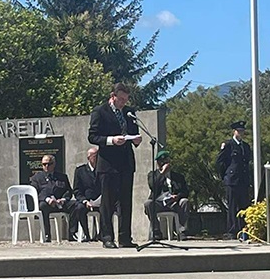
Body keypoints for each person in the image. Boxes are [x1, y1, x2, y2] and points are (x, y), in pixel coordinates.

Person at [88, 82, 142, 248]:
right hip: (108, 163)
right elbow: (93, 136)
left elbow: (133, 132)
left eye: (126, 99)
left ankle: (125, 238)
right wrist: (111, 140)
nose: (123, 103)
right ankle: (107, 237)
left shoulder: (129, 112)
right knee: (108, 203)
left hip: (126, 162)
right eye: (121, 99)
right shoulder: (100, 111)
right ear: (113, 96)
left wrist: (136, 139)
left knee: (126, 202)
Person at [216, 119, 252, 239]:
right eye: (239, 131)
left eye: (242, 131)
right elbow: (220, 162)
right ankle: (232, 231)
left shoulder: (245, 146)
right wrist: (225, 176)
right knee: (232, 206)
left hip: (243, 180)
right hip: (232, 180)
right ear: (234, 131)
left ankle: (244, 230)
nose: (241, 133)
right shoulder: (228, 145)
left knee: (244, 206)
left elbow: (247, 163)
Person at [30, 154, 79, 242]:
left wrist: (64, 199)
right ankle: (47, 234)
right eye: (44, 164)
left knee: (76, 205)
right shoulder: (36, 178)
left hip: (60, 202)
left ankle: (72, 233)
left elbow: (68, 191)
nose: (46, 166)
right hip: (47, 203)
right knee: (43, 206)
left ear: (54, 164)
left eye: (49, 164)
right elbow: (35, 193)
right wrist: (47, 199)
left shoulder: (62, 177)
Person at [144, 149, 190, 240]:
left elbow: (185, 192)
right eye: (161, 161)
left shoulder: (178, 177)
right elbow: (153, 186)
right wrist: (162, 173)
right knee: (148, 204)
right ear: (157, 163)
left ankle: (181, 231)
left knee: (185, 201)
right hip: (159, 203)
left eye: (166, 161)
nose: (164, 163)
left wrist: (178, 197)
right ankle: (156, 231)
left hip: (174, 203)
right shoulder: (152, 175)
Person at [73, 147, 101, 241]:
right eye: (95, 156)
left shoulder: (102, 170)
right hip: (87, 200)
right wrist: (85, 201)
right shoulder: (80, 171)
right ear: (89, 157)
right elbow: (77, 190)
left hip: (101, 200)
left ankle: (101, 234)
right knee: (79, 208)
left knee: (108, 208)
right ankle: (86, 234)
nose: (97, 158)